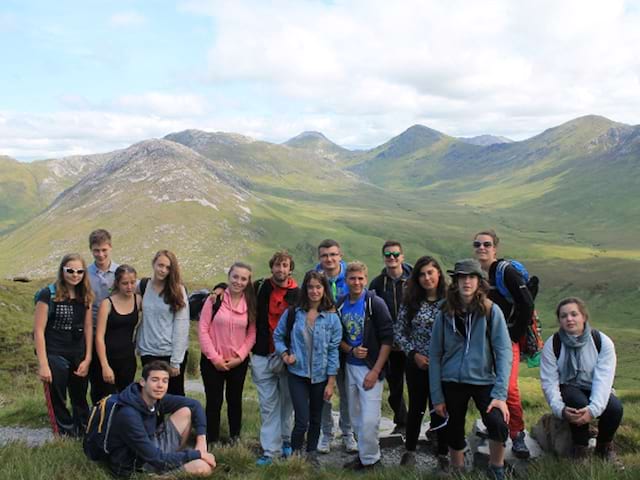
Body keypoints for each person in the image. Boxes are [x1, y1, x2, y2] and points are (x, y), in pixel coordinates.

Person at [430, 259, 512, 480]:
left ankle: (496, 468)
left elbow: (504, 352)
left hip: (484, 379)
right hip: (451, 379)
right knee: (453, 426)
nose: (467, 281)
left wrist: (500, 394)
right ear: (455, 281)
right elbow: (435, 355)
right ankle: (457, 470)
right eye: (462, 277)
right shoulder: (444, 313)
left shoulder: (491, 312)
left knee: (497, 422)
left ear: (479, 281)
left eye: (471, 277)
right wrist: (437, 396)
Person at [540, 297, 623, 466]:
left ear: (584, 317)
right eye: (564, 316)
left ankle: (604, 448)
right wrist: (560, 410)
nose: (569, 319)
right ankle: (580, 451)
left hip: (594, 387)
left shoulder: (602, 342)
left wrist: (593, 410)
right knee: (577, 402)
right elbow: (549, 382)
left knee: (615, 408)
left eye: (574, 314)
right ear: (559, 320)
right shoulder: (553, 344)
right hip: (568, 388)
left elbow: (603, 379)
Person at [473, 229, 534, 459]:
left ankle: (517, 434)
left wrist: (514, 334)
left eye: (486, 244)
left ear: (495, 248)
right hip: (485, 340)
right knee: (489, 385)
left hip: (507, 340)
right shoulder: (480, 275)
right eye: (477, 244)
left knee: (508, 388)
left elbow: (526, 303)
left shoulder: (504, 271)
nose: (481, 248)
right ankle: (499, 428)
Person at [273, 270, 342, 464]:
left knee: (316, 419)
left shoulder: (332, 318)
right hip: (297, 374)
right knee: (302, 420)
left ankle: (311, 455)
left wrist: (331, 382)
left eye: (318, 287)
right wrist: (285, 355)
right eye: (310, 287)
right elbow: (278, 336)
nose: (314, 291)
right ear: (305, 289)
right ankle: (295, 456)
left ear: (324, 289)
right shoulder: (293, 312)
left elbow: (333, 352)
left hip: (320, 377)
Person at [106, 360, 216, 477]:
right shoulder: (128, 414)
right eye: (155, 380)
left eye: (165, 381)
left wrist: (201, 442)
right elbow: (156, 458)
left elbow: (195, 405)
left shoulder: (155, 398)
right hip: (135, 462)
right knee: (202, 467)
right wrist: (197, 454)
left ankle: (173, 459)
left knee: (186, 411)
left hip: (151, 445)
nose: (160, 385)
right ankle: (161, 476)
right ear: (143, 382)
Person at [394, 255, 448, 467]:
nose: (427, 278)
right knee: (416, 407)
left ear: (438, 274)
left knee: (441, 407)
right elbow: (399, 332)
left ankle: (443, 453)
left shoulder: (449, 302)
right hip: (416, 363)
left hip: (443, 366)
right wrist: (413, 354)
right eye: (422, 274)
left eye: (430, 273)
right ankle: (410, 450)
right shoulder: (412, 302)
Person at [340, 261, 394, 471]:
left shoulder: (375, 303)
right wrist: (350, 350)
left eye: (360, 278)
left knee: (370, 419)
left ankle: (372, 460)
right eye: (352, 278)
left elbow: (388, 339)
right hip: (350, 366)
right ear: (346, 280)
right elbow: (338, 338)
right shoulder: (341, 303)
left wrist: (375, 371)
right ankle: (364, 456)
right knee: (355, 417)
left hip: (370, 368)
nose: (356, 282)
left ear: (365, 278)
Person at [33, 253, 93, 436]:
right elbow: (38, 331)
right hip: (54, 352)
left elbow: (88, 326)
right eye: (70, 270)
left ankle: (83, 431)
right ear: (62, 270)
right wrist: (43, 365)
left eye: (80, 271)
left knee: (80, 395)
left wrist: (88, 357)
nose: (75, 275)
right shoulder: (48, 294)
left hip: (78, 352)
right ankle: (64, 434)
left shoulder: (87, 295)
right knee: (57, 397)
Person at [199, 262, 256, 443]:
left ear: (248, 281)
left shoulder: (251, 303)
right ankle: (211, 439)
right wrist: (215, 358)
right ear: (229, 277)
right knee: (214, 402)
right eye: (235, 277)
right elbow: (203, 329)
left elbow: (252, 333)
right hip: (212, 361)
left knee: (234, 401)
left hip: (237, 362)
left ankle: (235, 437)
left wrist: (239, 357)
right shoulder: (214, 300)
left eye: (243, 278)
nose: (238, 281)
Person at [252, 251, 299, 465]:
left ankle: (286, 441)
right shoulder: (260, 287)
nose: (281, 270)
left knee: (287, 402)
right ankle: (271, 450)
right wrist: (219, 288)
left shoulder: (298, 293)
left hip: (288, 355)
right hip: (262, 352)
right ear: (272, 267)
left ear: (290, 269)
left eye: (285, 266)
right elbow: (236, 291)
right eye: (277, 265)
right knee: (268, 404)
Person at [314, 239, 357, 453]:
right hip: (322, 346)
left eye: (333, 254)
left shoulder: (350, 277)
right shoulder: (314, 279)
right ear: (319, 259)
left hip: (347, 345)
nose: (329, 259)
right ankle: (326, 433)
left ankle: (348, 433)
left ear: (340, 255)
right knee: (324, 391)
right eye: (324, 255)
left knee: (347, 392)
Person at [368, 240, 410, 435]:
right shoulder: (377, 283)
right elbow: (371, 313)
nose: (391, 257)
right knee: (394, 388)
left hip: (412, 344)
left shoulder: (414, 280)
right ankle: (402, 422)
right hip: (389, 345)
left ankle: (428, 426)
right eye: (388, 254)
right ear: (383, 257)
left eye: (395, 254)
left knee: (420, 387)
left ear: (402, 256)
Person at [136, 250, 190, 396]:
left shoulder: (178, 290)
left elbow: (182, 325)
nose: (163, 270)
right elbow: (121, 286)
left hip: (170, 353)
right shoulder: (142, 285)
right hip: (148, 352)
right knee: (150, 396)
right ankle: (155, 420)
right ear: (153, 263)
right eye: (160, 265)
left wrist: (176, 361)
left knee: (175, 397)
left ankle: (174, 420)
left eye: (168, 267)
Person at [95, 265, 141, 395]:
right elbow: (99, 337)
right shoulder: (107, 304)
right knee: (106, 399)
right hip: (108, 358)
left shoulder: (138, 300)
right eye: (125, 283)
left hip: (127, 358)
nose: (129, 287)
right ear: (117, 283)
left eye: (132, 283)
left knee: (126, 397)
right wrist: (104, 365)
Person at [87, 229, 120, 404]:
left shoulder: (119, 272)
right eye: (96, 250)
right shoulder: (84, 274)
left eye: (104, 250)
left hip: (114, 332)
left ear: (110, 247)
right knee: (96, 378)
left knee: (115, 377)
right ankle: (96, 418)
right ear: (91, 250)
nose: (100, 254)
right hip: (92, 332)